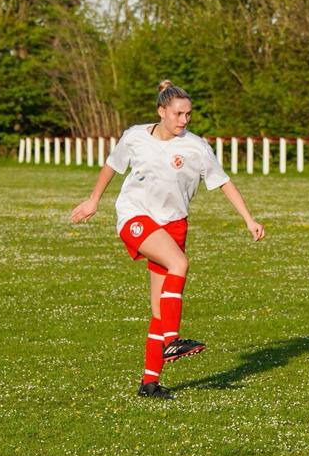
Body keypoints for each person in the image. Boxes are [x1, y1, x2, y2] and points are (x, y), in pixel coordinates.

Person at [70, 82, 265, 396]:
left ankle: (149, 383)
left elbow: (223, 182)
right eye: (178, 114)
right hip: (135, 215)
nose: (184, 120)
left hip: (174, 226)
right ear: (161, 111)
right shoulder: (135, 136)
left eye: (188, 114)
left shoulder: (196, 147)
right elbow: (111, 166)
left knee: (160, 310)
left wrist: (248, 218)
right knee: (179, 264)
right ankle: (172, 340)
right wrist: (93, 200)